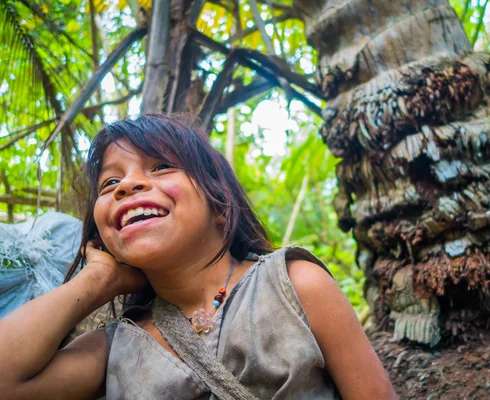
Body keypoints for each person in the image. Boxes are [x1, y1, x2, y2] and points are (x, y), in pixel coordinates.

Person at [0, 114, 396, 399]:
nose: (129, 185)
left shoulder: (295, 285)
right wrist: (99, 278)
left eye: (162, 166)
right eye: (111, 182)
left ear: (220, 203)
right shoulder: (115, 348)